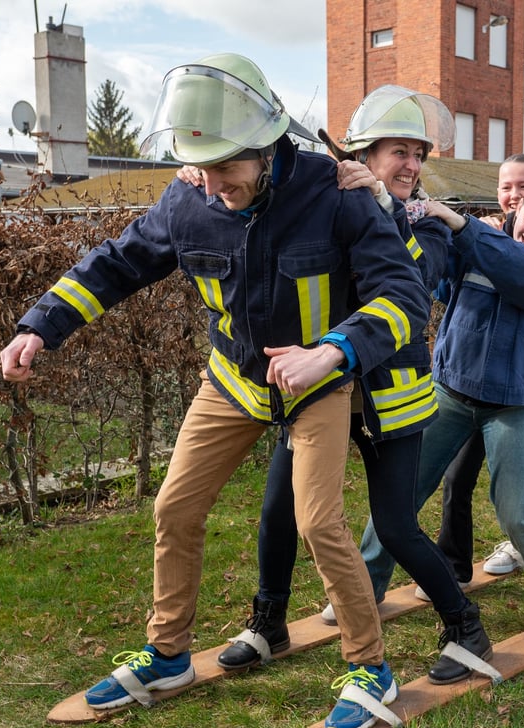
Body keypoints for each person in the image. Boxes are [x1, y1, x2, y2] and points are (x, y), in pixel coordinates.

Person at [0, 54, 431, 728]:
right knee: (174, 506)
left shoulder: (338, 194)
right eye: (198, 167)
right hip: (231, 381)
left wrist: (333, 351)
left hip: (318, 382)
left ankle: (369, 667)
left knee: (319, 522)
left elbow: (404, 296)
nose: (210, 183)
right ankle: (168, 654)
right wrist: (40, 325)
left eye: (225, 167)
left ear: (265, 148)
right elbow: (118, 262)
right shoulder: (189, 196)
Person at [209, 85, 496, 690]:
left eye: (419, 154)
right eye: (399, 151)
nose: (412, 166)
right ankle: (268, 622)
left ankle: (466, 628)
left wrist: (384, 211)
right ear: (364, 153)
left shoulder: (427, 223)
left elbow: (416, 282)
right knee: (278, 509)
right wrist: (207, 163)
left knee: (393, 524)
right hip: (322, 390)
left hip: (390, 398)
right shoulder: (334, 201)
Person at [369, 174, 524, 647]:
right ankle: (362, 590)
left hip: (513, 404)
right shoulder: (487, 240)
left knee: (518, 514)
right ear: (518, 211)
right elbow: (432, 274)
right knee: (399, 497)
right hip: (450, 392)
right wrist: (394, 211)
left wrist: (464, 227)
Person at [432, 154, 524, 588]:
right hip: (468, 385)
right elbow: (446, 290)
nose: (513, 196)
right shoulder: (479, 236)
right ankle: (454, 567)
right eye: (505, 187)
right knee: (456, 478)